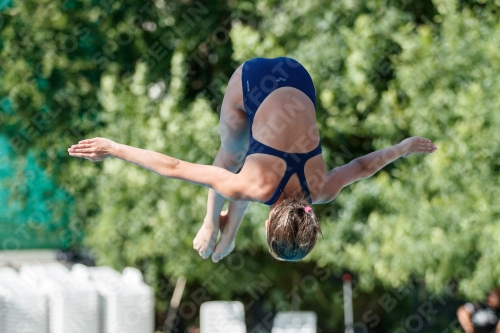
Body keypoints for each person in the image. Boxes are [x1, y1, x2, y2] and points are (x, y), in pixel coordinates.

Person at [68, 57, 437, 263]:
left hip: (298, 76)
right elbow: (176, 169)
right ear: (266, 227)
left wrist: (402, 148)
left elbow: (363, 167)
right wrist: (113, 147)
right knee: (230, 154)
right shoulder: (251, 187)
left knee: (241, 174)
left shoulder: (322, 190)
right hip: (253, 79)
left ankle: (223, 228)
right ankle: (214, 227)